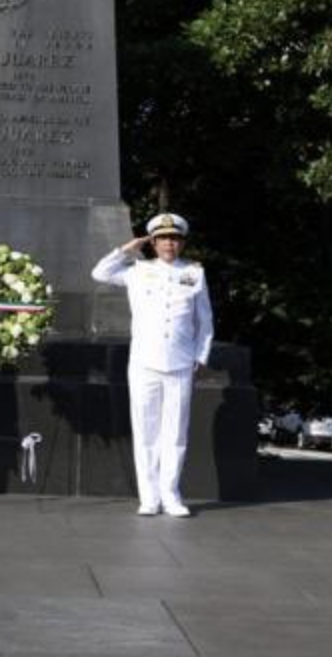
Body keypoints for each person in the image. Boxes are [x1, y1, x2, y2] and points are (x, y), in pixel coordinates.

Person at [92, 213, 213, 517]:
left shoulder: (195, 273)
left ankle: (171, 494)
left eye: (174, 238)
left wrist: (200, 357)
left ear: (181, 242)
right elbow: (100, 273)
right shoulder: (138, 270)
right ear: (153, 242)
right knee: (146, 431)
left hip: (181, 362)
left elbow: (205, 322)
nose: (169, 244)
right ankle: (149, 497)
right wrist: (128, 248)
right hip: (145, 360)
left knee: (175, 433)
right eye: (162, 239)